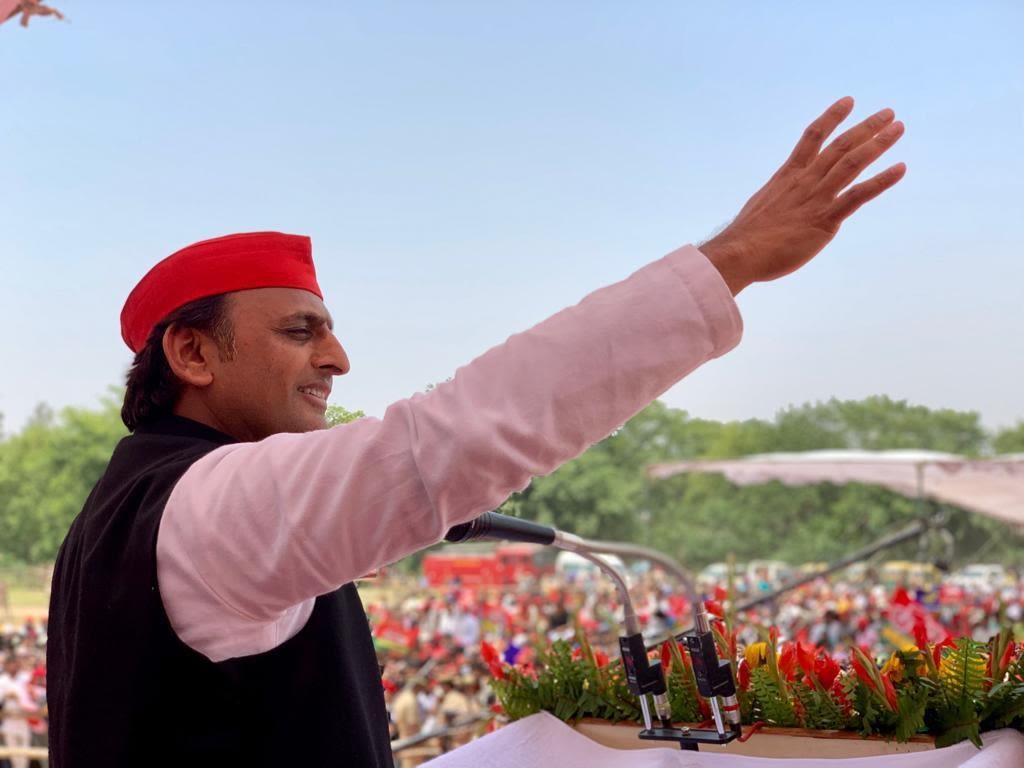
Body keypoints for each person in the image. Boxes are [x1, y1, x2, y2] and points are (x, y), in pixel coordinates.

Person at [46, 96, 905, 767]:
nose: (338, 358)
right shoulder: (204, 505)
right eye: (300, 331)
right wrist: (734, 261)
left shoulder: (141, 506)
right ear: (193, 353)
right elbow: (451, 440)